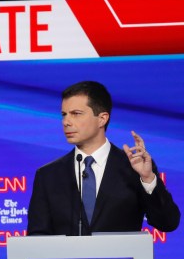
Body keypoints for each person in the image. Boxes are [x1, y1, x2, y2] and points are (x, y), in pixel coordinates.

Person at [27, 81, 179, 236]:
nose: (66, 122)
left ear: (102, 119)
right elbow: (37, 237)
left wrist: (148, 179)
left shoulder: (134, 168)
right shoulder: (48, 175)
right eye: (64, 114)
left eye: (76, 114)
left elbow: (168, 223)